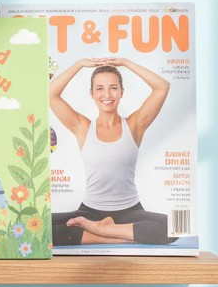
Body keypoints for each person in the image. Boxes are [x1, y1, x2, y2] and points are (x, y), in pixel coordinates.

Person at [49, 56, 174, 246]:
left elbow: (162, 87)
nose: (106, 94)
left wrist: (126, 62)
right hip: (90, 213)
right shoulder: (83, 127)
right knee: (40, 226)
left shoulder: (134, 125)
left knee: (175, 226)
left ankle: (106, 230)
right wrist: (79, 64)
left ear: (122, 92)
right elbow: (50, 94)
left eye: (113, 87)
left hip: (130, 212)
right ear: (91, 93)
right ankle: (104, 234)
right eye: (100, 88)